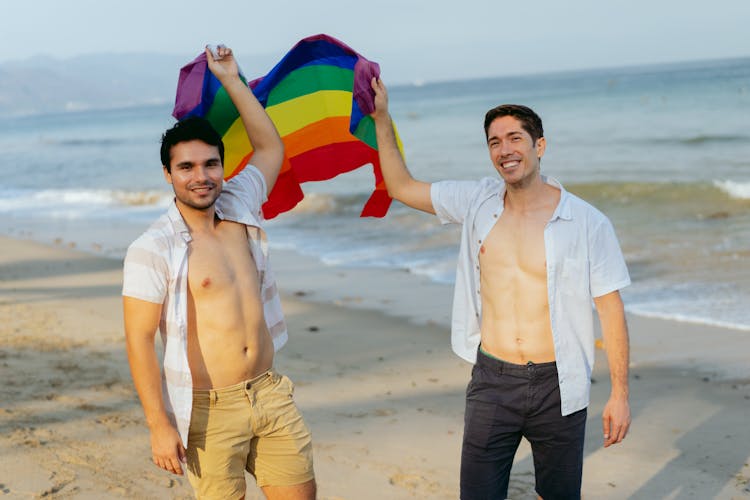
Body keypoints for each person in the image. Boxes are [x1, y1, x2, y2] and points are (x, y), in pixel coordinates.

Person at [370, 78, 631, 499]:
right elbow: (401, 187)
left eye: (515, 138)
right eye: (494, 142)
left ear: (539, 146)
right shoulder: (477, 201)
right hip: (493, 377)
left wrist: (620, 394)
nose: (505, 150)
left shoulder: (586, 222)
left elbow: (611, 307)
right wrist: (382, 117)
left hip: (558, 381)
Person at [122, 46, 316, 499]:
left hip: (269, 392)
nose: (201, 176)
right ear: (168, 174)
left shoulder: (241, 204)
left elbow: (271, 146)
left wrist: (232, 79)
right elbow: (138, 340)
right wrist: (159, 424)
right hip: (209, 412)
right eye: (186, 167)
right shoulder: (152, 248)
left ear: (223, 167)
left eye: (211, 164)